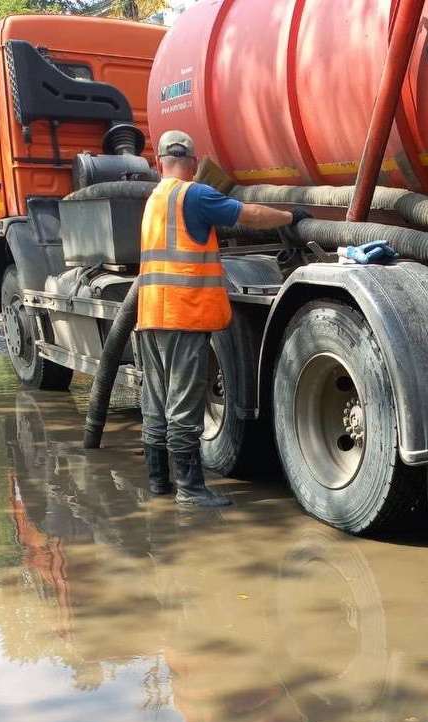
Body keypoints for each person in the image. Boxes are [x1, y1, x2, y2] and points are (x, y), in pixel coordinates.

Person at [138, 130, 309, 507]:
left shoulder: (155, 199)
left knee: (155, 402)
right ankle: (191, 490)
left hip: (150, 316)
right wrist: (289, 216)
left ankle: (158, 484)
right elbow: (247, 215)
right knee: (184, 406)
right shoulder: (194, 195)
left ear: (158, 163)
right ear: (195, 164)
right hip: (183, 316)